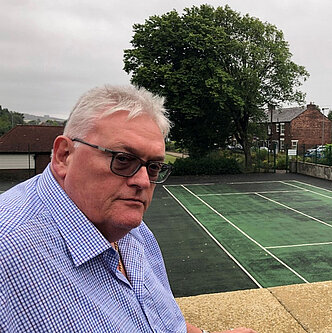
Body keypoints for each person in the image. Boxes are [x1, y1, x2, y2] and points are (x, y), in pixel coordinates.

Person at [0, 85, 256, 333]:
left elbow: (156, 322)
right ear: (64, 155)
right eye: (122, 159)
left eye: (154, 167)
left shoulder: (132, 229)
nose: (143, 181)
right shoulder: (9, 253)